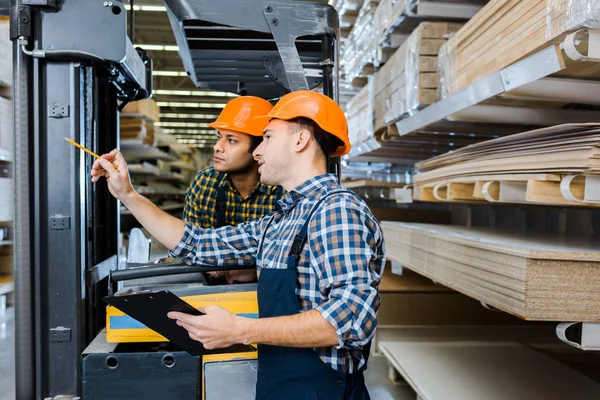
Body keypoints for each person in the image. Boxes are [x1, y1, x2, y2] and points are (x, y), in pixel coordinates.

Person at [91, 90, 385, 400]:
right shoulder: (280, 220)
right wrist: (128, 195)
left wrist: (240, 329)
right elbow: (198, 244)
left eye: (268, 138)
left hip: (323, 391)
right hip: (282, 385)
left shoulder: (335, 210)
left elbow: (351, 318)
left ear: (300, 141)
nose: (258, 152)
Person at [183, 96, 284, 284]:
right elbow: (188, 242)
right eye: (219, 138)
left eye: (231, 140)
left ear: (260, 147)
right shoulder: (205, 184)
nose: (217, 147)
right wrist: (207, 264)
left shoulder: (284, 191)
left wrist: (256, 270)